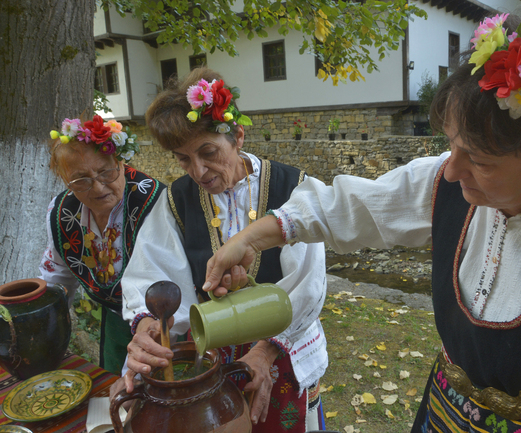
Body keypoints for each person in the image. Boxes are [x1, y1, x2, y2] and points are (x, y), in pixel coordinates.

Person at [202, 2, 521, 432]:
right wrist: (253, 238)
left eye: (481, 160)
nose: (452, 169)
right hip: (444, 416)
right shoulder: (446, 183)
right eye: (452, 144)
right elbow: (352, 206)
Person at [117, 67, 329, 432]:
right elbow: (152, 272)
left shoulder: (293, 188)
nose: (198, 170)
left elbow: (307, 284)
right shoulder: (177, 201)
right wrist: (150, 324)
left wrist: (265, 351)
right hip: (210, 351)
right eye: (183, 159)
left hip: (282, 346)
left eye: (208, 152)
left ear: (239, 137)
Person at [41, 115, 164, 375]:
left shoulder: (153, 203)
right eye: (81, 179)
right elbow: (58, 278)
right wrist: (45, 332)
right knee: (111, 394)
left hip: (163, 326)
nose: (97, 187)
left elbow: (167, 281)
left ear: (120, 163)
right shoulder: (62, 211)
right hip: (115, 324)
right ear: (65, 181)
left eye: (105, 172)